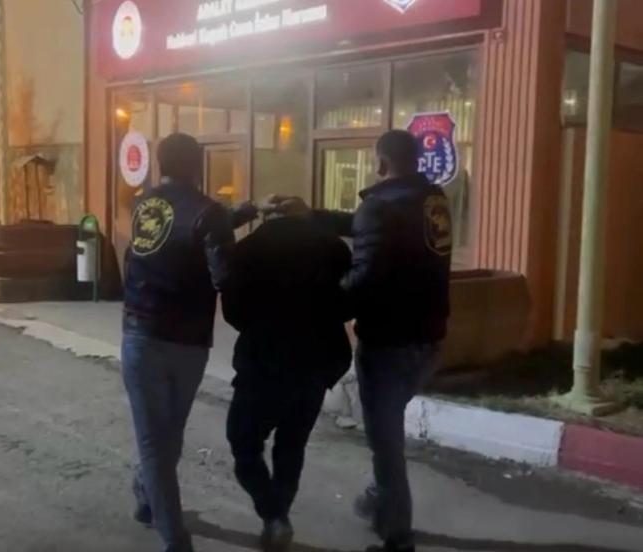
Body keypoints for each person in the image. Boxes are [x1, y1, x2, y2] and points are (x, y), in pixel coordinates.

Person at [267, 130, 452, 552]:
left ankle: (398, 536)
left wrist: (316, 304)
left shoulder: (381, 207)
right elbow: (368, 228)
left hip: (389, 344)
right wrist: (310, 215)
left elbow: (362, 279)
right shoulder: (432, 200)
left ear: (380, 162)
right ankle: (377, 501)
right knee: (387, 431)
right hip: (430, 341)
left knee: (385, 445)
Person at [121, 132, 257, 552]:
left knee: (157, 439)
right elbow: (222, 268)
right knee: (165, 436)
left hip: (140, 333)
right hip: (188, 340)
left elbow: (186, 228)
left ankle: (148, 496)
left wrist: (245, 212)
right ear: (198, 166)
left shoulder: (142, 205)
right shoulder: (207, 211)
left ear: (160, 165)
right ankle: (175, 538)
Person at [221, 211, 352, 550]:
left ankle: (273, 515)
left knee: (244, 443)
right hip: (315, 362)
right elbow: (348, 304)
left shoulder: (247, 250)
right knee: (291, 447)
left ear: (268, 217)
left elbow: (233, 311)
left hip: (263, 362)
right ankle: (278, 516)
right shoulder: (334, 249)